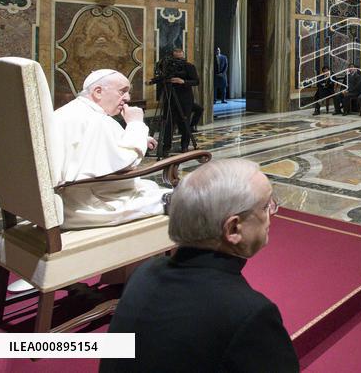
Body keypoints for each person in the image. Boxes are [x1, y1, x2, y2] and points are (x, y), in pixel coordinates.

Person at [101, 159, 297, 373]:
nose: (271, 214)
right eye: (266, 206)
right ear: (233, 228)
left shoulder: (144, 273)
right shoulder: (250, 313)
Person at [51, 70, 166, 229]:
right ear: (98, 92)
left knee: (149, 187)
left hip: (67, 199)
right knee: (179, 199)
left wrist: (140, 139)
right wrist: (136, 124)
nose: (128, 98)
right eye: (123, 91)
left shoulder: (68, 112)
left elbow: (93, 150)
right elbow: (127, 161)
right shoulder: (97, 120)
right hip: (94, 207)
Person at [154, 47, 200, 156]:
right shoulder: (167, 67)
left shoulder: (189, 66)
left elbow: (196, 81)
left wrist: (183, 81)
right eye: (175, 57)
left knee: (184, 122)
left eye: (180, 56)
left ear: (183, 55)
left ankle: (184, 145)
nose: (178, 59)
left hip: (185, 99)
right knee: (168, 123)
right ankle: (166, 147)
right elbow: (162, 78)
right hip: (170, 97)